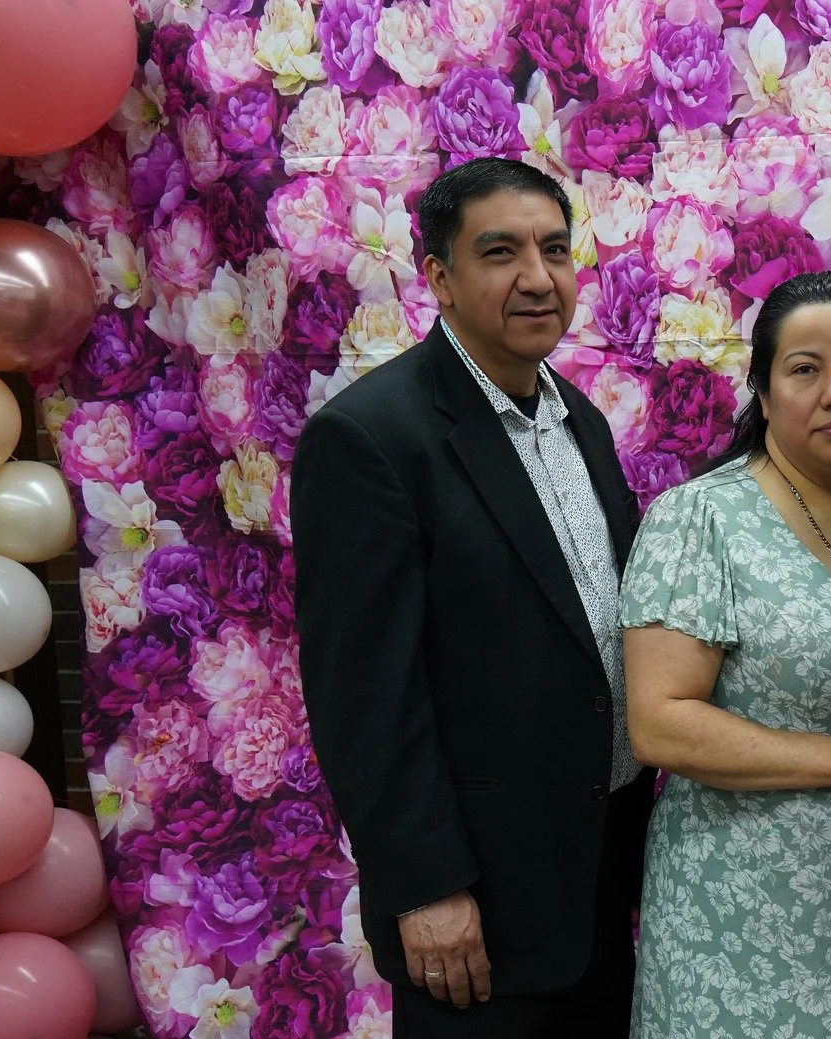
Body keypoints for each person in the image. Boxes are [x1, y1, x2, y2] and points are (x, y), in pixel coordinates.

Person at [292, 157, 651, 1038]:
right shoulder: (372, 438)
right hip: (476, 903)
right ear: (440, 279)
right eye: (501, 252)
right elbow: (362, 693)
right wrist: (425, 886)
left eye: (556, 250)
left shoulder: (581, 419)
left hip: (600, 871)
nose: (537, 278)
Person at [621, 272, 831, 1037]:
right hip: (743, 919)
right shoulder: (701, 519)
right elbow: (660, 723)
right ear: (764, 393)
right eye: (805, 369)